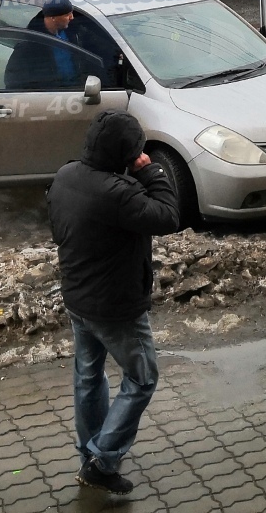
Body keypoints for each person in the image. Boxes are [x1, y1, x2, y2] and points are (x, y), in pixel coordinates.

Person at [48, 110, 182, 494]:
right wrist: (151, 171)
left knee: (88, 376)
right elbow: (169, 216)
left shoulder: (64, 176)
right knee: (142, 378)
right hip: (116, 308)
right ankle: (103, 460)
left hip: (77, 297)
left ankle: (90, 453)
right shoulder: (119, 194)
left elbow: (58, 231)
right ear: (126, 154)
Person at [4, 0, 103, 90]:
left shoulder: (76, 32)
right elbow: (13, 79)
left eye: (71, 13)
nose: (72, 17)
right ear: (53, 18)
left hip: (77, 92)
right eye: (66, 15)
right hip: (50, 99)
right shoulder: (30, 44)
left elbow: (98, 50)